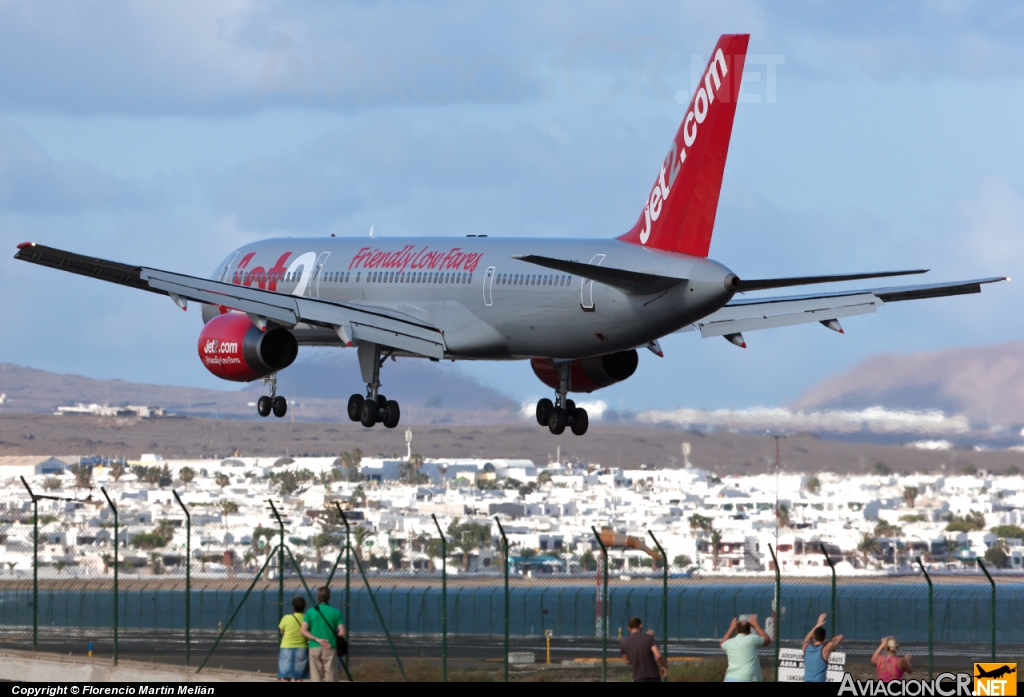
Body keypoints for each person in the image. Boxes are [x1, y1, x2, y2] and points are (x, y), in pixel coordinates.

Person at [300, 586, 346, 682]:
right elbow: (342, 632)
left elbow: (303, 630)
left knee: (315, 676)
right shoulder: (336, 612)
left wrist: (318, 639)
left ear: (317, 598)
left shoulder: (310, 612)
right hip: (330, 646)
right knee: (331, 676)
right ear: (329, 597)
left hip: (315, 646)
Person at [719, 615, 771, 682]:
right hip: (747, 679)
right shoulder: (752, 639)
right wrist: (756, 625)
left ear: (737, 630)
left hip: (729, 678)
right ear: (749, 630)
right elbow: (767, 640)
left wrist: (731, 628)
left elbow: (722, 643)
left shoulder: (729, 643)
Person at [620, 617, 667, 682]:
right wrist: (663, 666)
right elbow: (658, 656)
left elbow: (627, 661)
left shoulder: (623, 642)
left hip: (637, 677)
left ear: (628, 628)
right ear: (640, 625)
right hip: (653, 676)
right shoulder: (649, 638)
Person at [801, 613, 844, 682]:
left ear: (813, 637)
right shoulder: (825, 649)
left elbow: (806, 639)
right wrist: (825, 643)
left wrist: (817, 625)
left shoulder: (806, 648)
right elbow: (840, 637)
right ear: (824, 637)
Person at [277, 595, 310, 681]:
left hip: (286, 647)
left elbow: (282, 631)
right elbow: (308, 632)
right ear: (304, 607)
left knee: (286, 676)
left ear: (292, 606)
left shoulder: (286, 618)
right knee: (299, 677)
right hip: (302, 647)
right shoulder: (307, 618)